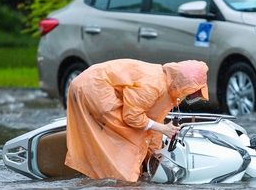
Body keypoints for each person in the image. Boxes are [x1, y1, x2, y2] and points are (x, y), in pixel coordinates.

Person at [64, 59, 208, 182]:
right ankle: (121, 181)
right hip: (93, 87)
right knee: (129, 137)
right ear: (184, 84)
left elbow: (153, 127)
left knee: (135, 135)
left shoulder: (166, 87)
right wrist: (163, 129)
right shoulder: (153, 85)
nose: (193, 95)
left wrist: (154, 158)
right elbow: (132, 117)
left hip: (88, 85)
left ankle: (111, 176)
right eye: (194, 91)